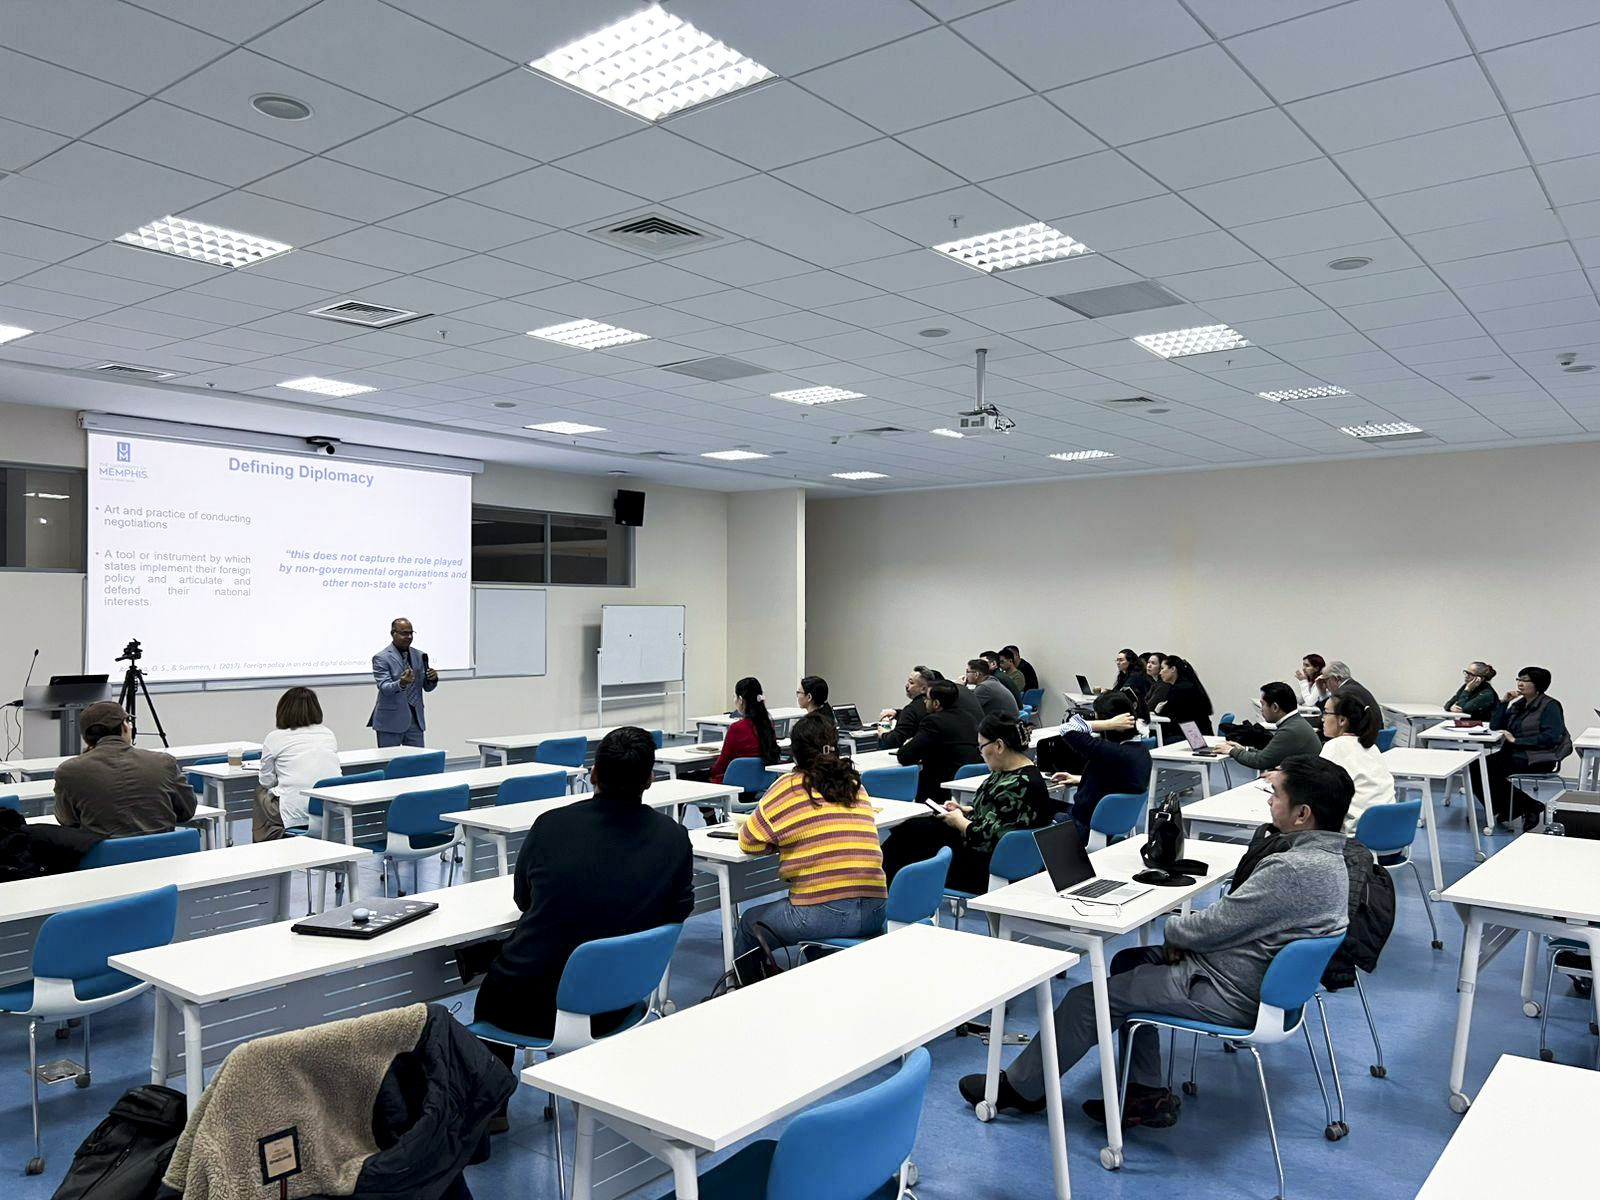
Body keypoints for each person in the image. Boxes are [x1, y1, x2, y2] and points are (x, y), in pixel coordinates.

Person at [960, 754, 1352, 1125]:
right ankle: (1144, 1092)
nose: (1269, 803)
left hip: (1229, 990)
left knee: (1086, 999)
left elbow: (1208, 927)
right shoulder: (1333, 859)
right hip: (1256, 979)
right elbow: (1237, 922)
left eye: (1276, 795)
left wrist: (1176, 930)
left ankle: (1022, 1089)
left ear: (1303, 814)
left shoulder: (1290, 868)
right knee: (1130, 962)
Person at [472, 727, 692, 1127]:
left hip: (529, 1009)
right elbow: (677, 913)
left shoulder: (550, 825)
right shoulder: (675, 839)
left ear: (592, 774)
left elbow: (524, 901)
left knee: (490, 978)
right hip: (622, 1004)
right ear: (650, 779)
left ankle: (490, 1108)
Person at [734, 713, 886, 969]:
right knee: (815, 917)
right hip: (876, 910)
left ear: (795, 752)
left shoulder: (789, 786)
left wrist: (779, 843)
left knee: (750, 922)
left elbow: (748, 842)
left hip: (821, 913)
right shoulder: (854, 784)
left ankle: (747, 993)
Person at [880, 714, 1051, 892]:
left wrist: (958, 820)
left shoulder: (1019, 784)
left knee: (911, 838)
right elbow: (999, 816)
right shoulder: (1013, 773)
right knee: (913, 831)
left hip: (985, 866)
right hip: (987, 855)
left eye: (982, 747)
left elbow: (988, 838)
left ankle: (879, 890)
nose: (981, 753)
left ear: (999, 745)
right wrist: (964, 810)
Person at [52, 700, 196, 838]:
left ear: (86, 738)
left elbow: (67, 821)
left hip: (105, 859)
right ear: (125, 727)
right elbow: (187, 811)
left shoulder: (69, 771)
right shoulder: (163, 762)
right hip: (165, 855)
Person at [1477, 666, 1570, 830]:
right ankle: (1519, 807)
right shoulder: (1518, 704)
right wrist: (1503, 702)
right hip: (1515, 754)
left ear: (1538, 685)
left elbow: (1551, 738)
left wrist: (1516, 740)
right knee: (1475, 766)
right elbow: (1495, 725)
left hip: (1540, 757)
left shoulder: (1550, 706)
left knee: (1491, 770)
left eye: (1525, 680)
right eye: (1518, 679)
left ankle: (1524, 807)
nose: (1520, 684)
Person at [1048, 692, 1152, 834]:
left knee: (1039, 807)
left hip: (1083, 826)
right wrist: (1081, 779)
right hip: (1112, 826)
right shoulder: (1142, 752)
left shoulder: (1112, 752)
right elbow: (1118, 783)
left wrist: (1108, 724)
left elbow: (1067, 728)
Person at [255, 686, 341, 841]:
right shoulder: (328, 733)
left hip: (296, 812)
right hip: (330, 810)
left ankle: (265, 848)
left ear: (283, 710)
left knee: (259, 794)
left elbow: (266, 781)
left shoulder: (275, 737)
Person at [1318, 691, 1394, 834]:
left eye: (1326, 713)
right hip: (1389, 830)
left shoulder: (1335, 746)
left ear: (1342, 720)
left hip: (1356, 834)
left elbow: (1316, 788)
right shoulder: (1372, 747)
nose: (1322, 719)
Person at [896, 679, 982, 802]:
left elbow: (905, 756)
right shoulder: (969, 718)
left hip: (939, 791)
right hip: (967, 787)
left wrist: (910, 744)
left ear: (936, 703)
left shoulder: (933, 722)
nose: (924, 701)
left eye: (926, 698)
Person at [1216, 682, 1320, 774]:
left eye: (1263, 704)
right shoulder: (1294, 723)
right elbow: (1271, 755)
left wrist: (1232, 751)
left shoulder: (1290, 730)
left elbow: (1260, 762)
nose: (1261, 709)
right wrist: (1244, 750)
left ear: (1275, 707)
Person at [369, 617, 437, 748]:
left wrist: (433, 679)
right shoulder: (381, 658)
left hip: (415, 720)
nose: (409, 637)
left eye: (411, 633)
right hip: (390, 721)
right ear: (393, 634)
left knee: (417, 762)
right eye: (404, 633)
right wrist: (401, 683)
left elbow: (426, 687)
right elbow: (384, 687)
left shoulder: (420, 655)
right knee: (389, 762)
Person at [709, 676, 783, 785]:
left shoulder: (737, 728)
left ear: (740, 699)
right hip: (760, 785)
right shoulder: (768, 725)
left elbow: (721, 765)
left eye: (734, 696)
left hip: (733, 786)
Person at [1153, 655, 1213, 736]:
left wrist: (1157, 711)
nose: (1160, 673)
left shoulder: (1181, 689)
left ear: (1173, 669)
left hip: (1192, 736)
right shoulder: (1184, 685)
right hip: (1196, 732)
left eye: (1162, 668)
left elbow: (1169, 715)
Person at [878, 666, 936, 749]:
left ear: (923, 689)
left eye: (911, 683)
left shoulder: (911, 709)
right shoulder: (936, 704)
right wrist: (897, 713)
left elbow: (896, 739)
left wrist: (884, 734)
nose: (907, 686)